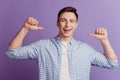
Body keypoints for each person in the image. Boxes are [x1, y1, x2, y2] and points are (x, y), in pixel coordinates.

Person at [6, 6, 118, 80]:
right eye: (63, 20)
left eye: (71, 21)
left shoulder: (85, 49)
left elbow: (112, 63)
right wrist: (25, 28)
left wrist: (104, 40)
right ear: (57, 23)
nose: (67, 25)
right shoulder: (43, 46)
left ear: (76, 24)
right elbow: (12, 53)